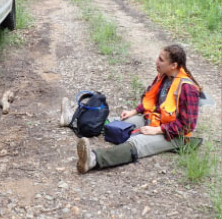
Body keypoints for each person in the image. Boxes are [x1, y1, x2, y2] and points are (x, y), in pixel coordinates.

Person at [62, 44, 201, 174]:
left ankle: (92, 160)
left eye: (161, 59)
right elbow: (153, 101)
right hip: (156, 119)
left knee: (137, 143)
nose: (156, 62)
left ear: (173, 65)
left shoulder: (188, 89)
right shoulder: (165, 76)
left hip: (174, 134)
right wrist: (134, 111)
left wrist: (157, 130)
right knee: (116, 121)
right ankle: (73, 120)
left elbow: (187, 125)